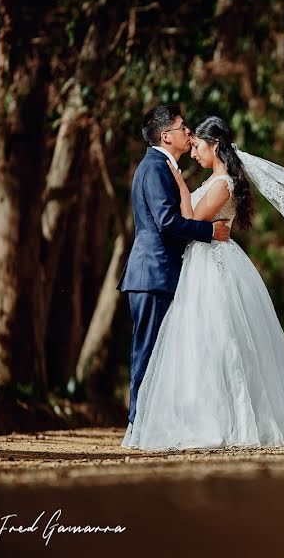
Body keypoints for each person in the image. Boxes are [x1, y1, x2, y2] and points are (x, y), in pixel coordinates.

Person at [121, 115, 284, 450]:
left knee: (219, 343)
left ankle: (221, 420)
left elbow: (189, 220)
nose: (195, 149)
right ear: (165, 135)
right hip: (189, 265)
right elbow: (180, 222)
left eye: (199, 144)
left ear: (215, 145)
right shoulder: (169, 169)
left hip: (212, 267)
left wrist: (185, 188)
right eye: (188, 137)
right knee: (198, 345)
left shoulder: (221, 183)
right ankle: (148, 423)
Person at [117, 105, 231, 429]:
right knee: (148, 351)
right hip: (152, 273)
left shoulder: (164, 167)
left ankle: (154, 424)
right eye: (183, 128)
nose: (189, 133)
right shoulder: (155, 167)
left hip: (160, 272)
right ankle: (138, 425)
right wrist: (209, 231)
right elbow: (167, 222)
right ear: (166, 136)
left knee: (161, 353)